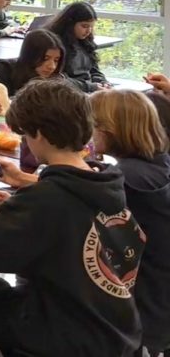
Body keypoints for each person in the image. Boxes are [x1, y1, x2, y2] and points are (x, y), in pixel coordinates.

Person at [0, 80, 144, 357]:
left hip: (70, 331)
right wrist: (19, 203)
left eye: (25, 135)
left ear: (38, 134)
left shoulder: (49, 197)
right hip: (116, 326)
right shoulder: (105, 181)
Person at [89, 88, 170, 357]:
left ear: (111, 130)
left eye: (94, 125)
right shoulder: (159, 167)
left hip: (137, 313)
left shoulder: (123, 180)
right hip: (158, 301)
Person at [47, 1, 107, 92]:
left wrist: (102, 81)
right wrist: (91, 86)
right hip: (70, 93)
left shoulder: (85, 42)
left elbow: (94, 70)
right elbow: (58, 79)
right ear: (70, 24)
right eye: (84, 26)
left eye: (91, 27)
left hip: (89, 89)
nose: (89, 31)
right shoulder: (56, 44)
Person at [0, 29, 65, 95]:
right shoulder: (3, 70)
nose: (52, 66)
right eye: (45, 59)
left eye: (56, 60)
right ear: (30, 55)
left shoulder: (56, 79)